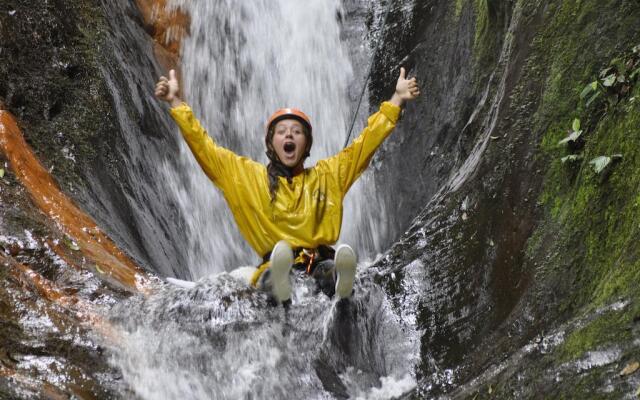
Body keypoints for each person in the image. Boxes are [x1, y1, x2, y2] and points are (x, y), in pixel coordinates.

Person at [155, 68, 420, 305]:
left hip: (317, 262)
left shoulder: (328, 174)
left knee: (326, 270)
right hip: (274, 263)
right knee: (272, 273)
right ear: (271, 144)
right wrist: (176, 103)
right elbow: (205, 149)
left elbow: (365, 146)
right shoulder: (246, 175)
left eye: (297, 131)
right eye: (282, 131)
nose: (290, 135)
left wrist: (396, 100)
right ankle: (281, 284)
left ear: (307, 144)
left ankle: (341, 279)